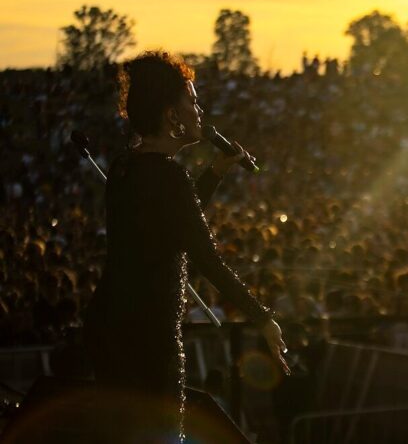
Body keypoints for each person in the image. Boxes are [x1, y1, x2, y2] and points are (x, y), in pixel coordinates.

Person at [82, 50, 289, 444]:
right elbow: (204, 255)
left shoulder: (126, 169)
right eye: (192, 101)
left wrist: (214, 172)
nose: (200, 110)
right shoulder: (168, 177)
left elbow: (173, 223)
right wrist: (261, 317)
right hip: (147, 336)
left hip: (111, 327)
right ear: (169, 115)